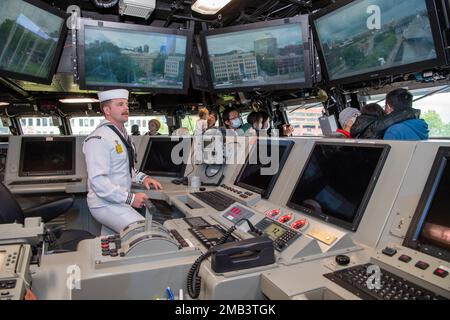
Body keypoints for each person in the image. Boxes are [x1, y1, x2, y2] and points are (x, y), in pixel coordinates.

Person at [83, 89, 163, 234]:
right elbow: (98, 181)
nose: (126, 108)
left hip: (117, 200)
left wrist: (144, 178)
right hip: (104, 204)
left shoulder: (122, 135)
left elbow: (126, 168)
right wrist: (130, 198)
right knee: (147, 234)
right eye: (120, 104)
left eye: (126, 104)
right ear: (107, 110)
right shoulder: (98, 139)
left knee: (111, 244)